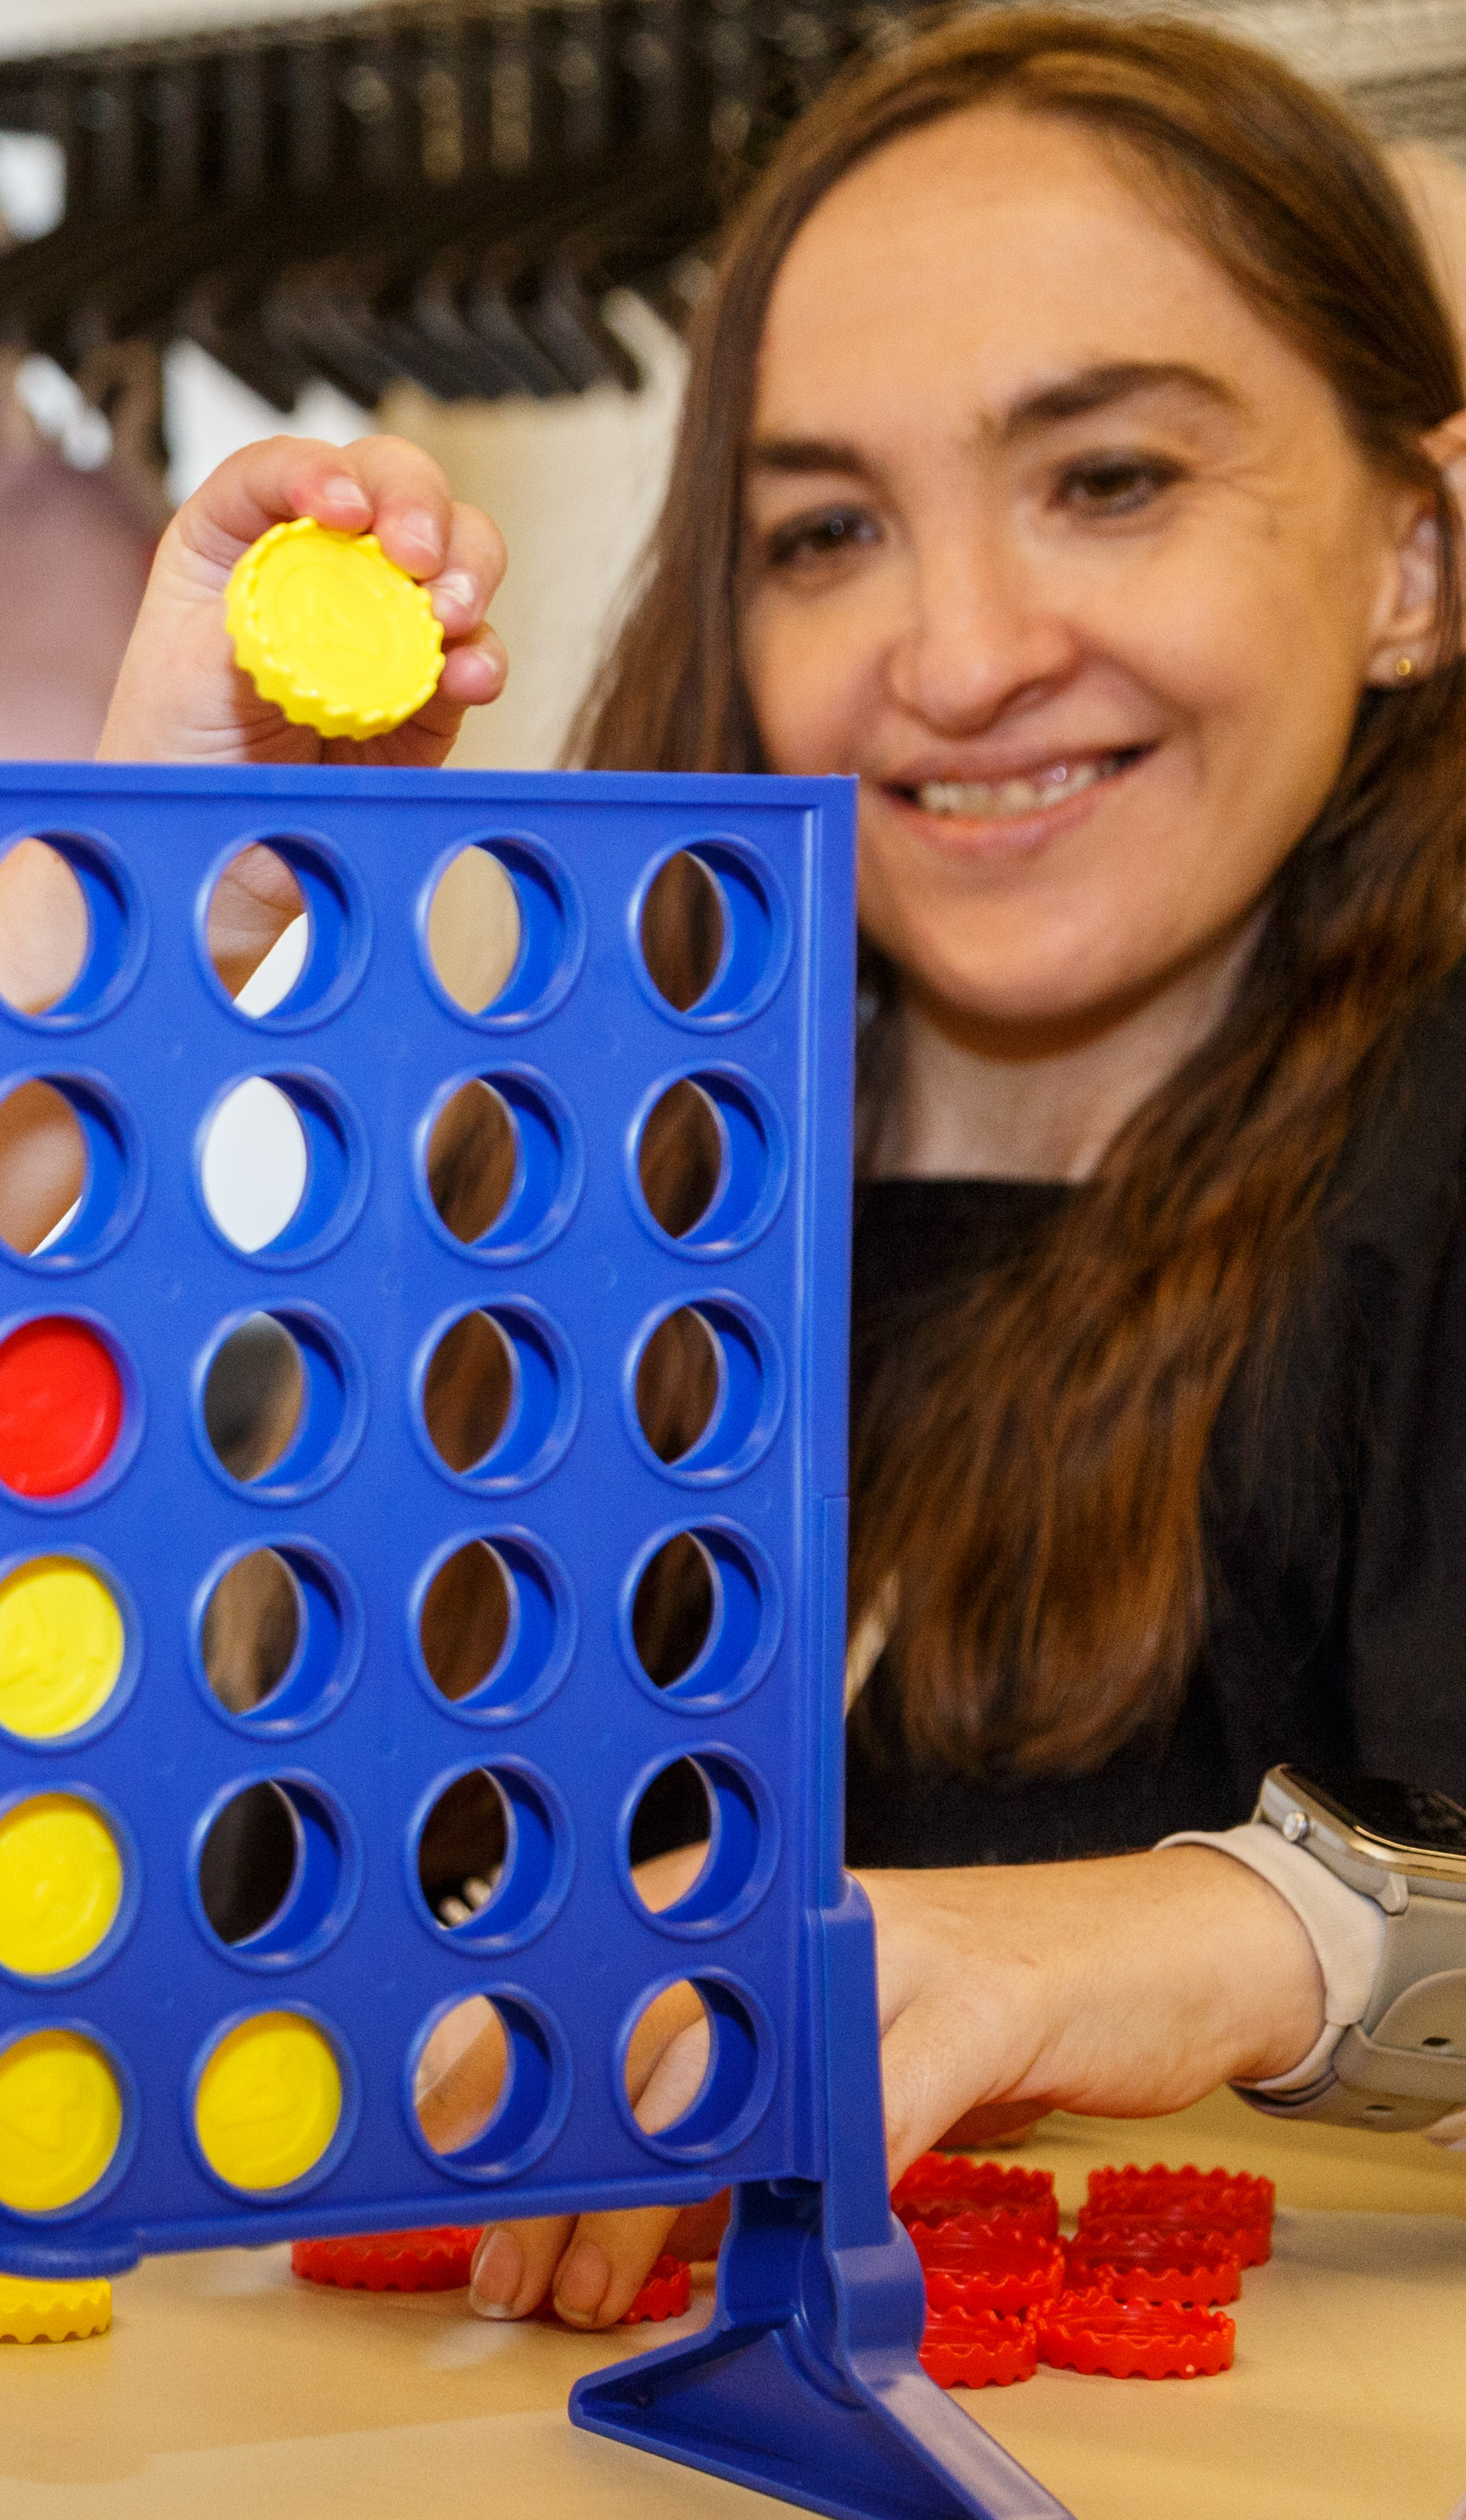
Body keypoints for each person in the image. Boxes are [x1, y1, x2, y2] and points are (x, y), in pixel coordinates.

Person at [98, 10, 1466, 2327]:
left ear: (1415, 561)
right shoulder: (582, 1193)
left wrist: (1272, 1931)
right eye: (827, 531)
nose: (956, 653)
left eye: (1110, 478)